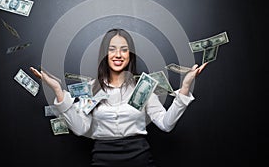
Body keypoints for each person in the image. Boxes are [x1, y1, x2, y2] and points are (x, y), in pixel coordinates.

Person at [30, 28, 207, 167]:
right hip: (102, 160)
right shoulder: (92, 89)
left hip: (140, 159)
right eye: (112, 49)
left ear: (130, 55)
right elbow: (80, 128)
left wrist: (185, 87)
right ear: (104, 55)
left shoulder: (143, 88)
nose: (118, 55)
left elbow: (166, 124)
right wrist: (58, 91)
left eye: (124, 50)